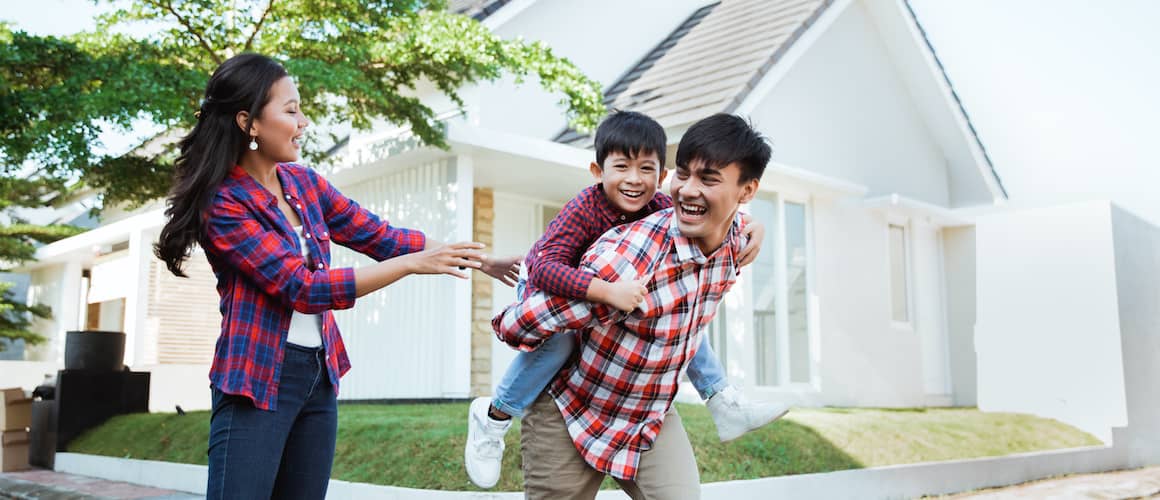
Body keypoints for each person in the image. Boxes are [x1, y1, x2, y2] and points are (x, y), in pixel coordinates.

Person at [153, 53, 518, 499]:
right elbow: (302, 288)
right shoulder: (225, 204)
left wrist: (482, 260)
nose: (303, 122)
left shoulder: (303, 183)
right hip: (255, 379)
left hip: (317, 376)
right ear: (249, 122)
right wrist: (407, 267)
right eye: (290, 111)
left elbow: (382, 237)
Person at [464, 111, 788, 488]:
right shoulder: (590, 214)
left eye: (646, 169)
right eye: (621, 167)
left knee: (686, 319)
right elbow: (543, 273)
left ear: (659, 175)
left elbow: (724, 219)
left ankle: (720, 398)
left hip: (642, 398)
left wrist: (751, 224)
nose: (635, 180)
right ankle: (496, 415)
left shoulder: (670, 211)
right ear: (597, 171)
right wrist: (606, 290)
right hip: (551, 288)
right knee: (558, 344)